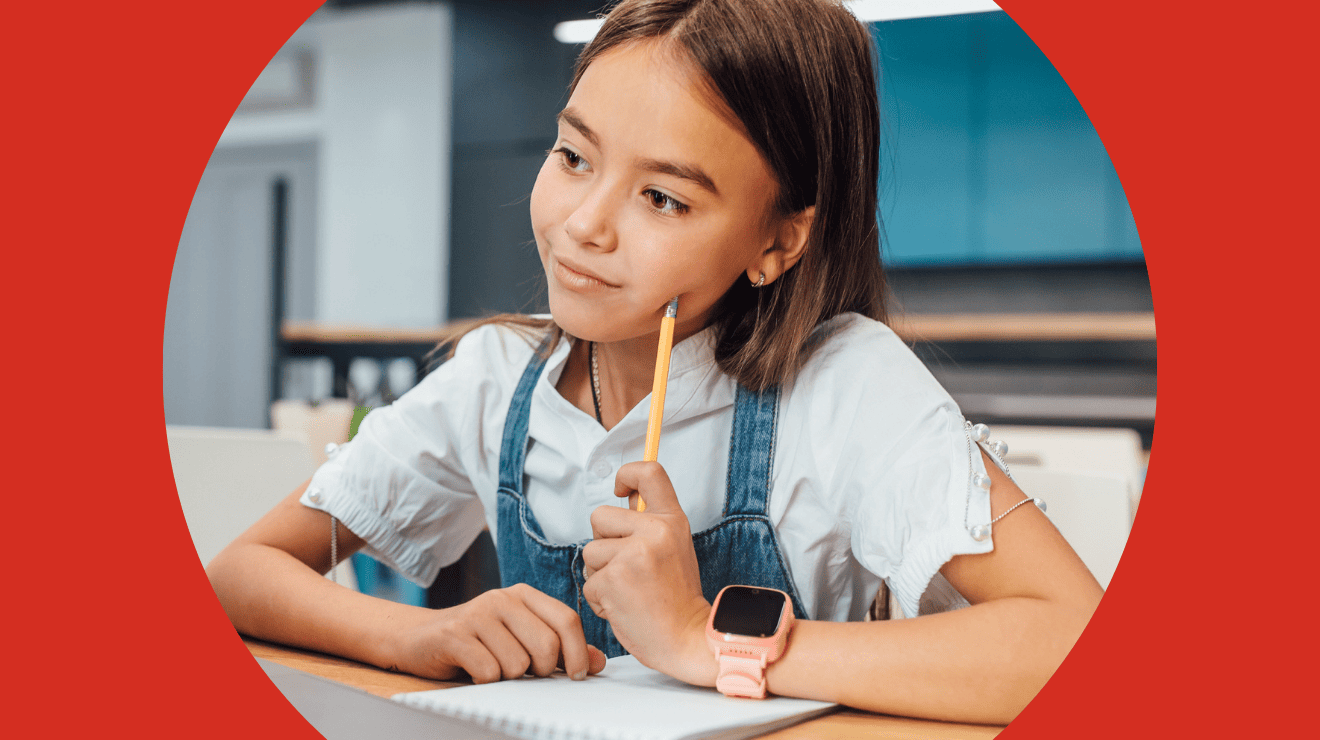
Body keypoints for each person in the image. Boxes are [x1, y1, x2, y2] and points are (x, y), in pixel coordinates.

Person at [207, 0, 1102, 724]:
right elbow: (239, 576)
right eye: (572, 155)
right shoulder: (494, 379)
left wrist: (699, 639)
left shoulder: (842, 387)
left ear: (779, 240)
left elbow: (1070, 641)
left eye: (663, 198)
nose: (585, 224)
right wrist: (416, 635)